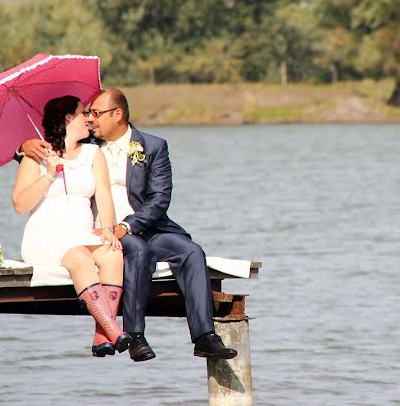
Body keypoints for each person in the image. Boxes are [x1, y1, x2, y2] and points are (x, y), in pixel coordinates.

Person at [20, 88, 237, 363]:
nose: (90, 119)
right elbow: (51, 148)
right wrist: (23, 146)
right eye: (88, 113)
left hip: (145, 226)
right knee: (138, 252)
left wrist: (127, 226)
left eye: (97, 113)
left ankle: (204, 336)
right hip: (101, 232)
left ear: (118, 114)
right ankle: (135, 335)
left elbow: (160, 199)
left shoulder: (153, 146)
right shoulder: (87, 146)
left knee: (192, 252)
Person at [12, 94, 131, 357]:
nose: (89, 118)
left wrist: (109, 230)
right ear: (68, 118)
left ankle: (102, 336)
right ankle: (115, 330)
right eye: (83, 113)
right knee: (79, 257)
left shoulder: (92, 153)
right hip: (47, 238)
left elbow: (103, 195)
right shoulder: (36, 155)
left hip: (82, 234)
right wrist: (49, 174)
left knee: (113, 253)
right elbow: (20, 204)